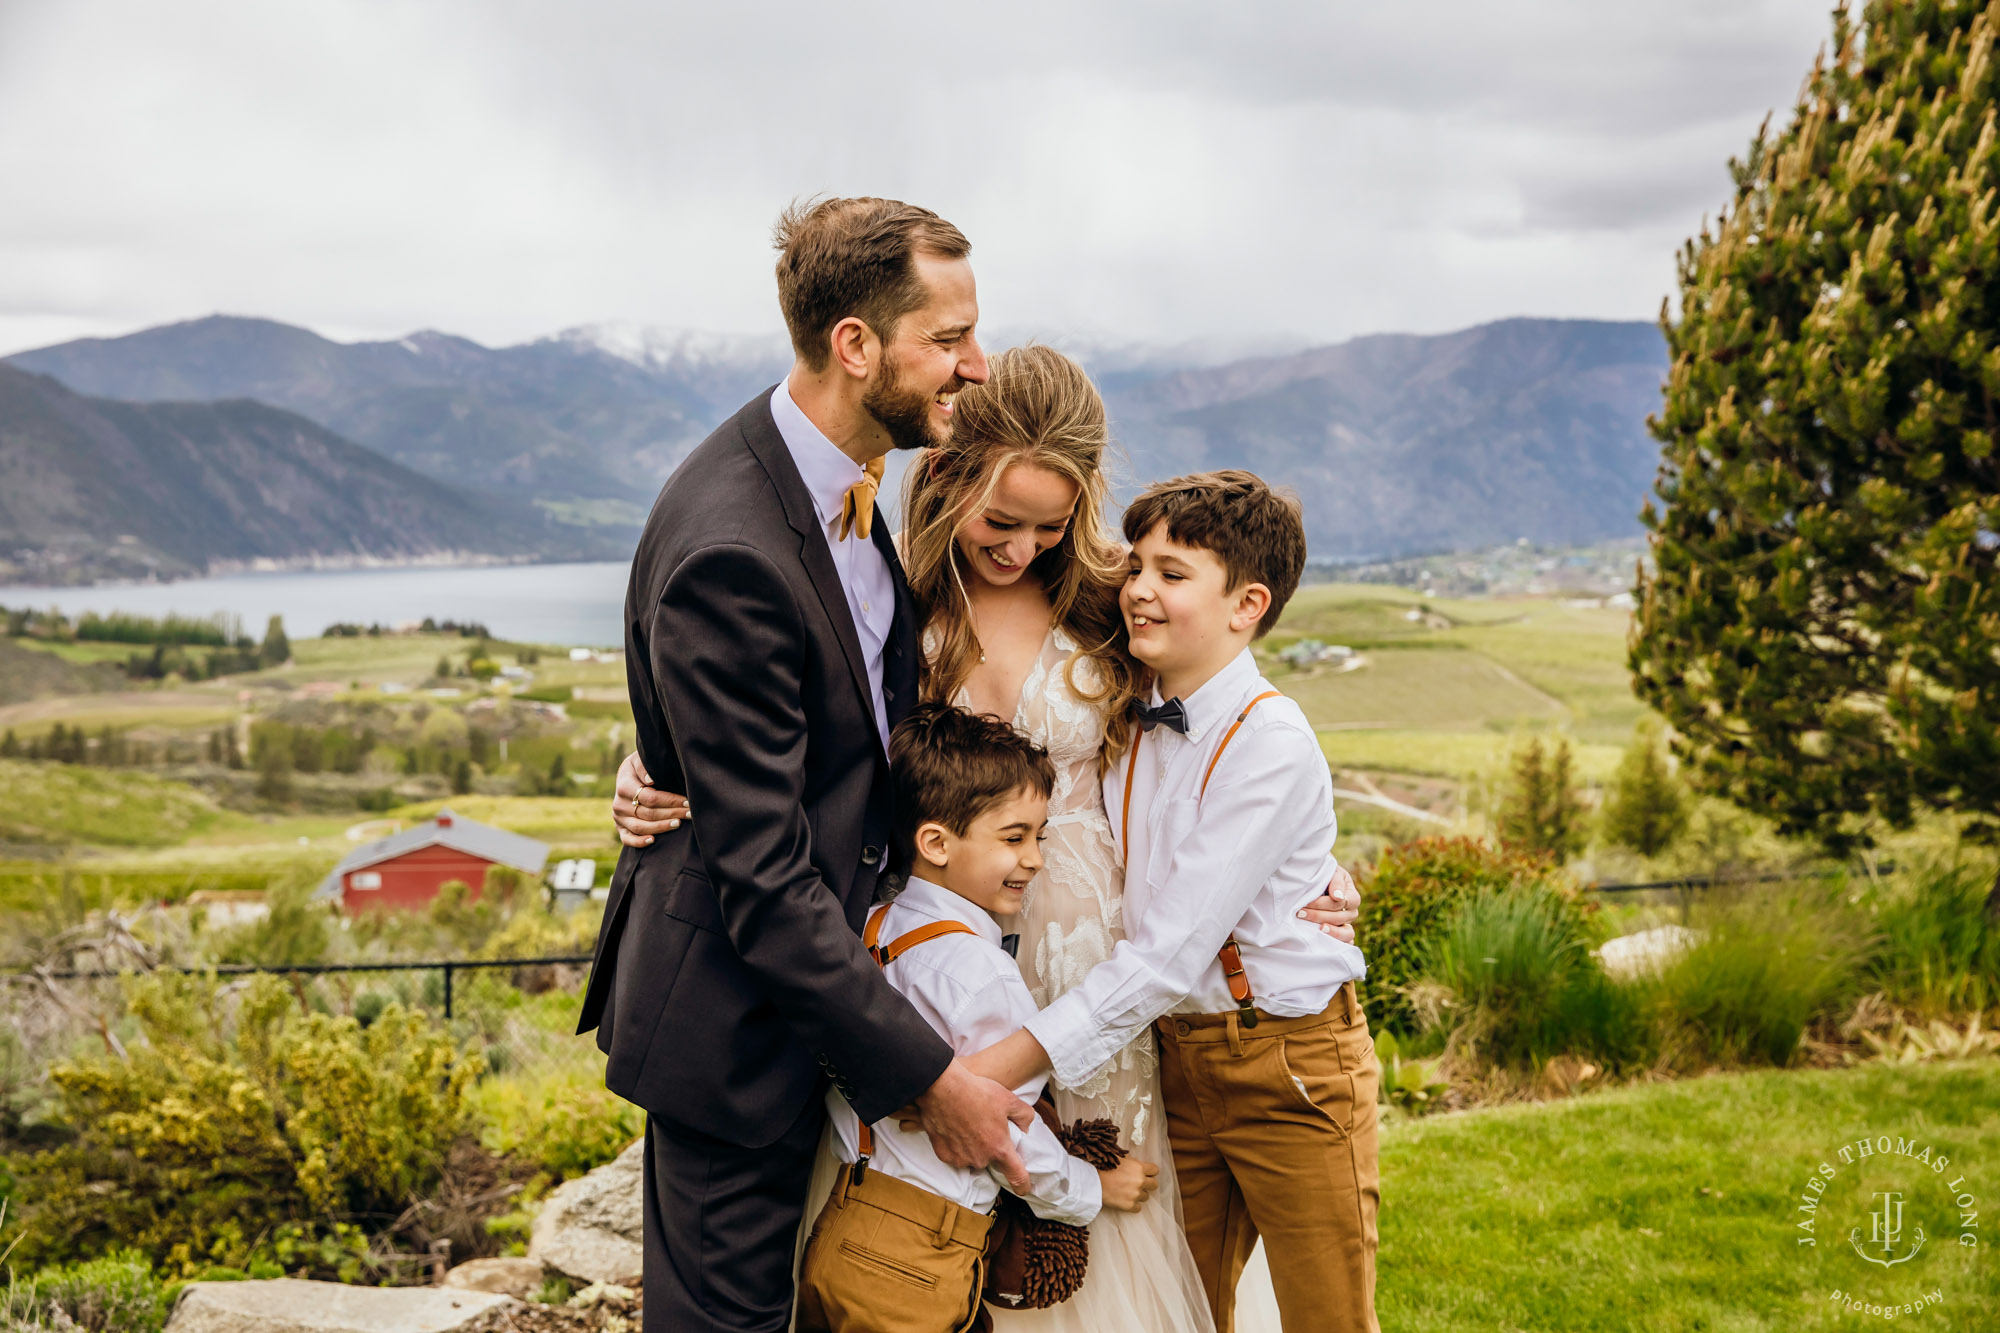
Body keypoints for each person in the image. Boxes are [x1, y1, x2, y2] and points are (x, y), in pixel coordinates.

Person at [612, 346, 1363, 1331]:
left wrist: (1305, 869)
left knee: (1098, 1222)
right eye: (1000, 521)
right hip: (938, 953)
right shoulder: (884, 596)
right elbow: (774, 730)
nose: (1019, 548)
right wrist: (646, 769)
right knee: (936, 1201)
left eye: (1050, 526)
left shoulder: (1108, 601)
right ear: (947, 475)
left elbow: (1214, 736)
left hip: (1096, 963)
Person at [576, 197, 1037, 1333]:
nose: (974, 365)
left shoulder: (838, 481)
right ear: (854, 344)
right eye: (947, 339)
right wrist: (935, 1082)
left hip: (834, 1012)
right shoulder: (736, 544)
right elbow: (764, 879)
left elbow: (834, 746)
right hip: (736, 1036)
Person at [973, 470, 1380, 1333]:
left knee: (1327, 1314)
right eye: (1138, 568)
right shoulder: (1130, 708)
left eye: (1173, 573)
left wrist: (996, 1069)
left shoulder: (1270, 742)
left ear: (1248, 604)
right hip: (1177, 1068)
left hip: (1289, 1066)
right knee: (1189, 1304)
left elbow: (1163, 956)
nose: (1141, 592)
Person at [798, 703, 1158, 1333]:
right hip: (921, 1253)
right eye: (1014, 837)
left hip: (842, 1224)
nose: (1037, 859)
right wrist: (1093, 1190)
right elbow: (1007, 1140)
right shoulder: (979, 973)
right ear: (935, 842)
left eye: (1040, 837)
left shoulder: (872, 929)